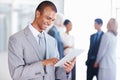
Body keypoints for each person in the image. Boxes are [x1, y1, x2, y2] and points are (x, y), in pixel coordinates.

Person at [8, 1, 76, 80]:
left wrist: (66, 71)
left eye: (53, 20)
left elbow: (56, 73)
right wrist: (43, 63)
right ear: (38, 14)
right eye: (48, 18)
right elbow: (16, 74)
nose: (50, 23)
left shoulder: (52, 41)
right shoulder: (16, 39)